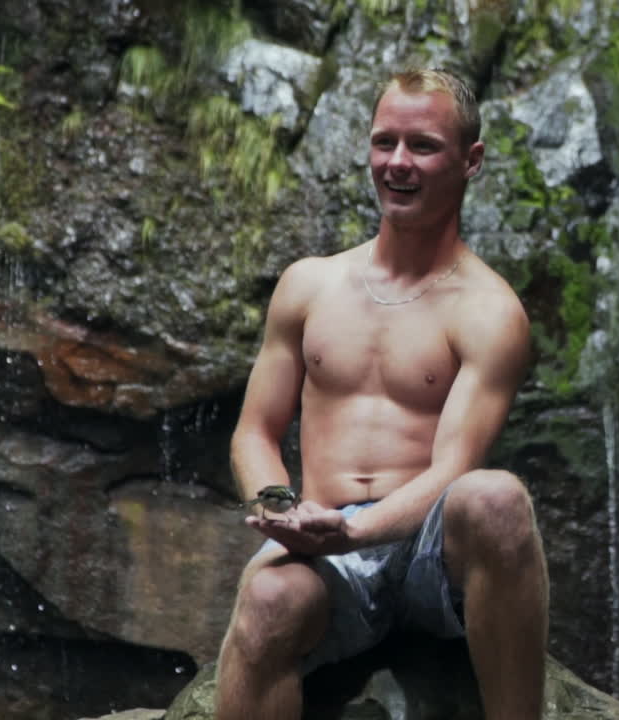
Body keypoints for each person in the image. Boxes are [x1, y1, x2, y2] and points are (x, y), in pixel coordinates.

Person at [214, 68, 548, 720]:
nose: (397, 163)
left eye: (422, 145)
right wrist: (280, 511)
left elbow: (455, 471)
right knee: (267, 602)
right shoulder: (309, 285)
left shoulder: (489, 311)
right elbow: (254, 430)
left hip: (429, 551)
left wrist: (354, 530)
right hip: (325, 548)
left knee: (497, 498)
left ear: (470, 161)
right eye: (383, 142)